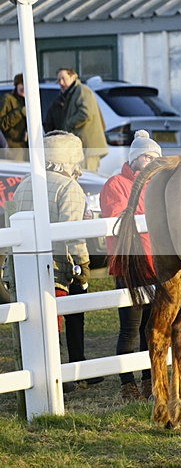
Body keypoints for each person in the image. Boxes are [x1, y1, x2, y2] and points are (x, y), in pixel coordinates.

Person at [7, 131, 101, 391]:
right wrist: (83, 269)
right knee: (62, 319)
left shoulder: (25, 183)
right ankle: (65, 374)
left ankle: (58, 371)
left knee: (34, 322)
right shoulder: (68, 186)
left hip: (23, 265)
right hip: (58, 266)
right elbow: (73, 235)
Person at [100, 130, 162, 401]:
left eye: (154, 156)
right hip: (130, 264)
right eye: (146, 156)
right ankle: (128, 384)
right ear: (135, 158)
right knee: (129, 327)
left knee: (151, 326)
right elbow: (116, 217)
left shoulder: (156, 185)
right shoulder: (116, 184)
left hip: (155, 263)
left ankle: (150, 380)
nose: (150, 161)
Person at [45, 68, 108, 172]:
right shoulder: (69, 95)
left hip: (87, 147)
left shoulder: (82, 90)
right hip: (80, 148)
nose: (61, 82)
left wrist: (67, 125)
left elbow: (86, 113)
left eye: (64, 78)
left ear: (73, 77)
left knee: (87, 178)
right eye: (58, 80)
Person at [0, 73, 28, 160]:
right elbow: (2, 124)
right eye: (21, 84)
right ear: (16, 85)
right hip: (13, 147)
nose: (23, 87)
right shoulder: (8, 99)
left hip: (27, 147)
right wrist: (19, 113)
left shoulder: (30, 99)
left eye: (25, 84)